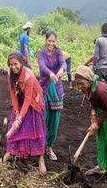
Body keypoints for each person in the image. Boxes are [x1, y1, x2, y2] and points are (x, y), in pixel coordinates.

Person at [74, 65, 107, 187]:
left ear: (89, 80)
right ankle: (102, 165)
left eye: (81, 83)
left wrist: (97, 123)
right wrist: (93, 115)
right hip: (104, 107)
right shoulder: (87, 87)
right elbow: (92, 100)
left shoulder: (101, 90)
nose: (80, 86)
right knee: (102, 137)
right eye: (77, 84)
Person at [2, 51, 47, 174]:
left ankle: (41, 159)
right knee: (13, 123)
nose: (13, 67)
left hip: (33, 101)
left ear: (21, 63)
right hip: (20, 97)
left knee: (37, 129)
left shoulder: (29, 76)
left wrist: (20, 118)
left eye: (16, 64)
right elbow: (13, 93)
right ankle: (10, 152)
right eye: (11, 64)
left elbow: (28, 99)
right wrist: (17, 112)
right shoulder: (10, 73)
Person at [37, 30, 66, 161]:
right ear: (45, 40)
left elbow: (63, 63)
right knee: (43, 118)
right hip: (44, 88)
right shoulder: (41, 53)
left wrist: (61, 70)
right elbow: (42, 66)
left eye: (53, 41)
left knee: (55, 120)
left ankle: (49, 147)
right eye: (49, 40)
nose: (51, 43)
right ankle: (40, 146)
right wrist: (50, 73)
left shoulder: (59, 52)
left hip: (57, 90)